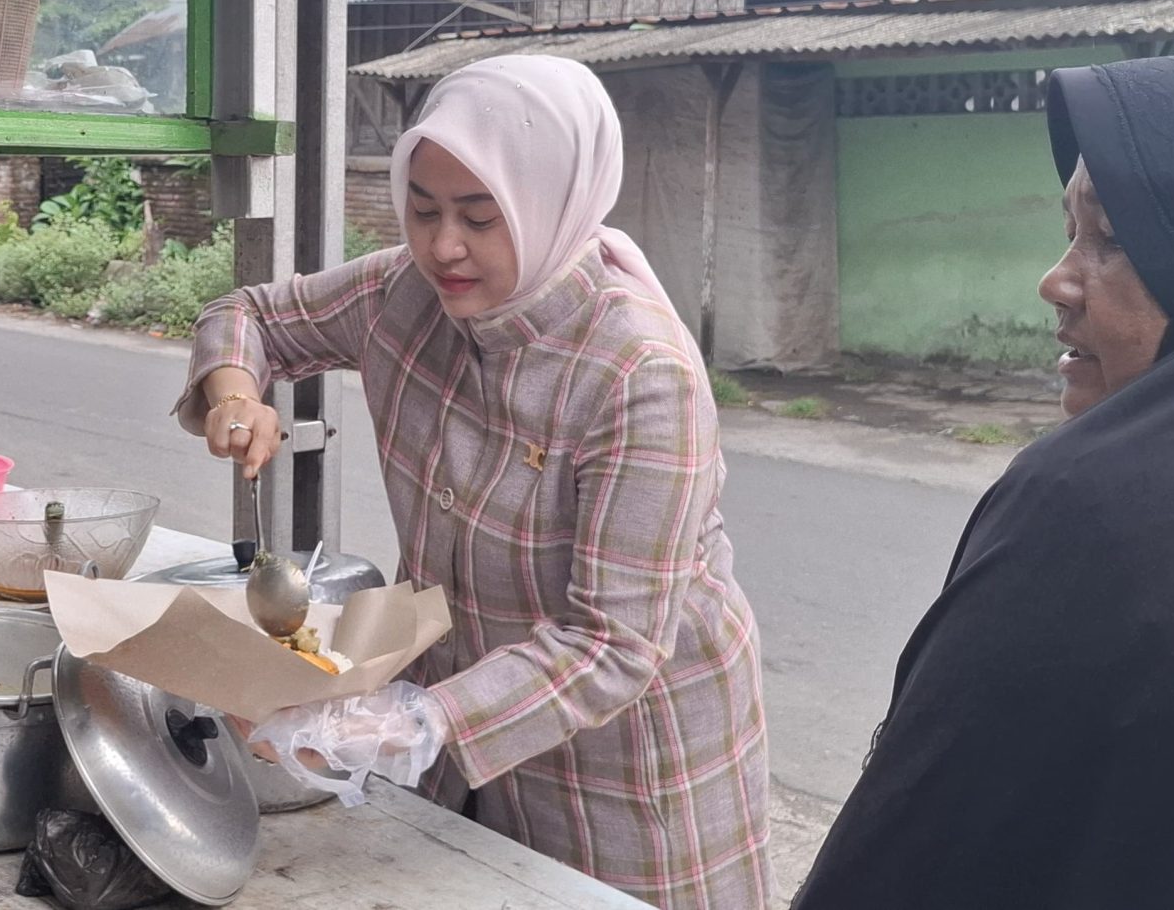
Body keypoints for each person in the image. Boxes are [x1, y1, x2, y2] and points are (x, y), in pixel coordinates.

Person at [792, 52, 1174, 908]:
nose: (1056, 280)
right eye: (1070, 229)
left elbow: (914, 848)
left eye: (1116, 239)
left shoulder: (1109, 509)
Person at [181, 55, 773, 910]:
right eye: (423, 210)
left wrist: (409, 723)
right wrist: (237, 392)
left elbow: (611, 646)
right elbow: (252, 315)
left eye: (480, 216)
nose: (443, 246)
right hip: (455, 726)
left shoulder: (640, 373)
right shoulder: (404, 293)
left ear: (552, 204)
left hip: (626, 761)